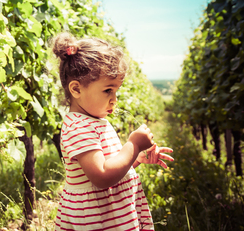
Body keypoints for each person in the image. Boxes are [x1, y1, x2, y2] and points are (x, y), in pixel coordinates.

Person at [52, 32, 174, 230]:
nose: (114, 98)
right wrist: (133, 145)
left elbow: (109, 164)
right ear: (76, 90)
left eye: (116, 90)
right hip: (98, 219)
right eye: (108, 90)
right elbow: (101, 176)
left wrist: (136, 159)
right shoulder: (78, 127)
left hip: (109, 216)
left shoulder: (94, 121)